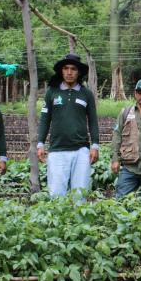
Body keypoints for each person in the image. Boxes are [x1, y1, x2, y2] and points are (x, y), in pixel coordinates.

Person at [37, 54, 99, 197]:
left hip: (81, 151)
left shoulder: (86, 94)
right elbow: (45, 119)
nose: (69, 72)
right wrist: (40, 144)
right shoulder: (52, 92)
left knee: (80, 195)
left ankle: (78, 220)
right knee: (56, 194)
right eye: (66, 68)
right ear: (61, 71)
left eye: (73, 69)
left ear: (79, 72)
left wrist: (95, 146)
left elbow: (93, 121)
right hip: (57, 150)